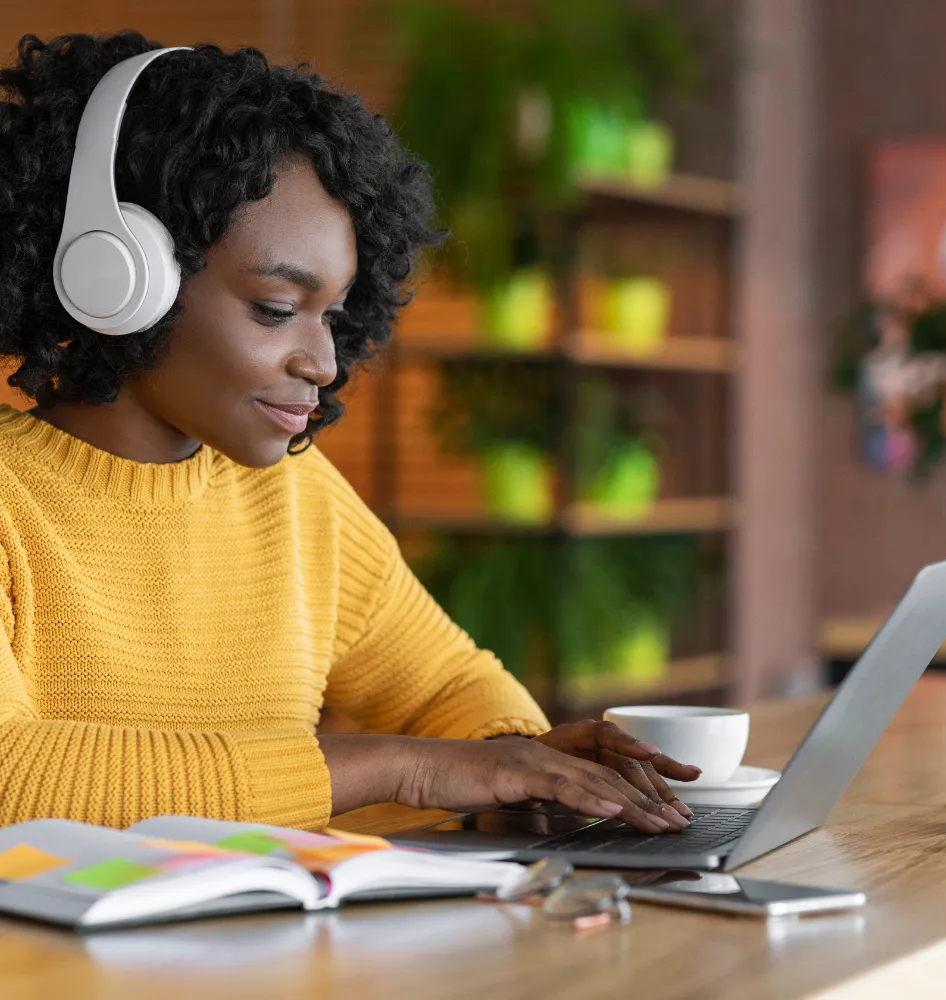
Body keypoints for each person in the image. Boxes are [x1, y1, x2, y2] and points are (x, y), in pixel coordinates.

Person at [0, 31, 698, 834]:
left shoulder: (295, 496)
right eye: (274, 309)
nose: (325, 362)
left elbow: (448, 686)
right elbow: (15, 777)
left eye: (332, 315)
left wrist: (524, 762)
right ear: (115, 276)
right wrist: (413, 766)